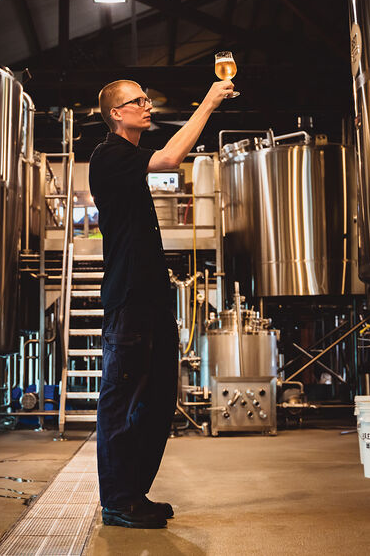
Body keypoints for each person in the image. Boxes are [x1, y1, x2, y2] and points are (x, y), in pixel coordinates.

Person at [89, 78, 234, 529]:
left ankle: (133, 493)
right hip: (129, 299)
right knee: (122, 398)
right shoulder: (109, 155)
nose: (147, 106)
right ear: (116, 113)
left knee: (156, 400)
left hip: (151, 298)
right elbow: (171, 158)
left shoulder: (129, 162)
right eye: (138, 102)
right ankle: (116, 499)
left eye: (148, 99)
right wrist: (208, 100)